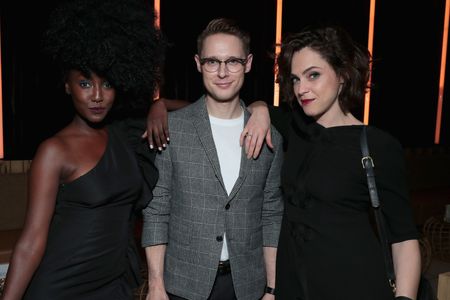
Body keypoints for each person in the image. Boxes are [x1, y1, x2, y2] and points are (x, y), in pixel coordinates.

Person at [1, 0, 167, 298]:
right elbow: (31, 241)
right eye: (84, 83)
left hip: (113, 284)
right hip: (61, 286)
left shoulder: (125, 133)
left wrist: (160, 104)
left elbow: (199, 112)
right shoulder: (55, 150)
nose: (97, 96)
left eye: (107, 84)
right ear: (67, 86)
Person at [246, 25, 421, 300]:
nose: (301, 88)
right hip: (293, 285)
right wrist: (258, 109)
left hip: (353, 284)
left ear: (342, 75)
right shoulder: (295, 128)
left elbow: (404, 239)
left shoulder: (378, 145)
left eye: (313, 75)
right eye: (295, 79)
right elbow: (253, 107)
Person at [141, 18, 284, 300]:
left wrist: (271, 288)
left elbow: (271, 214)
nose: (222, 72)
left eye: (232, 61)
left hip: (247, 287)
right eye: (212, 62)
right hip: (182, 285)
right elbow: (157, 209)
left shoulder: (271, 137)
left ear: (249, 63)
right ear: (197, 63)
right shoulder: (174, 129)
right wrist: (156, 285)